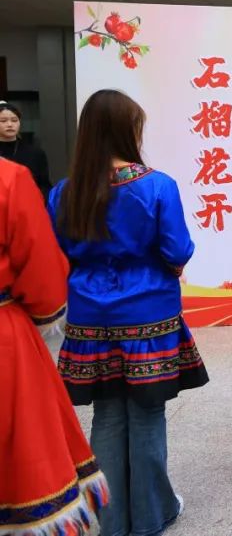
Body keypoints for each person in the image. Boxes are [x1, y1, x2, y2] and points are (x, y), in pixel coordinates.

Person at [48, 89, 207, 536]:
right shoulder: (157, 186)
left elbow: (57, 256)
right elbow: (177, 250)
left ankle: (112, 522)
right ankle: (153, 515)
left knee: (106, 416)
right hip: (147, 315)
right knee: (148, 414)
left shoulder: (65, 192)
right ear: (126, 130)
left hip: (89, 317)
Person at [1, 159, 110, 536]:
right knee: (22, 447)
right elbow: (42, 270)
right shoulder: (9, 178)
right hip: (5, 336)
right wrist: (43, 314)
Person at [0, 100, 52, 197]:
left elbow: (44, 186)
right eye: (3, 121)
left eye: (14, 120)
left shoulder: (35, 153)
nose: (10, 124)